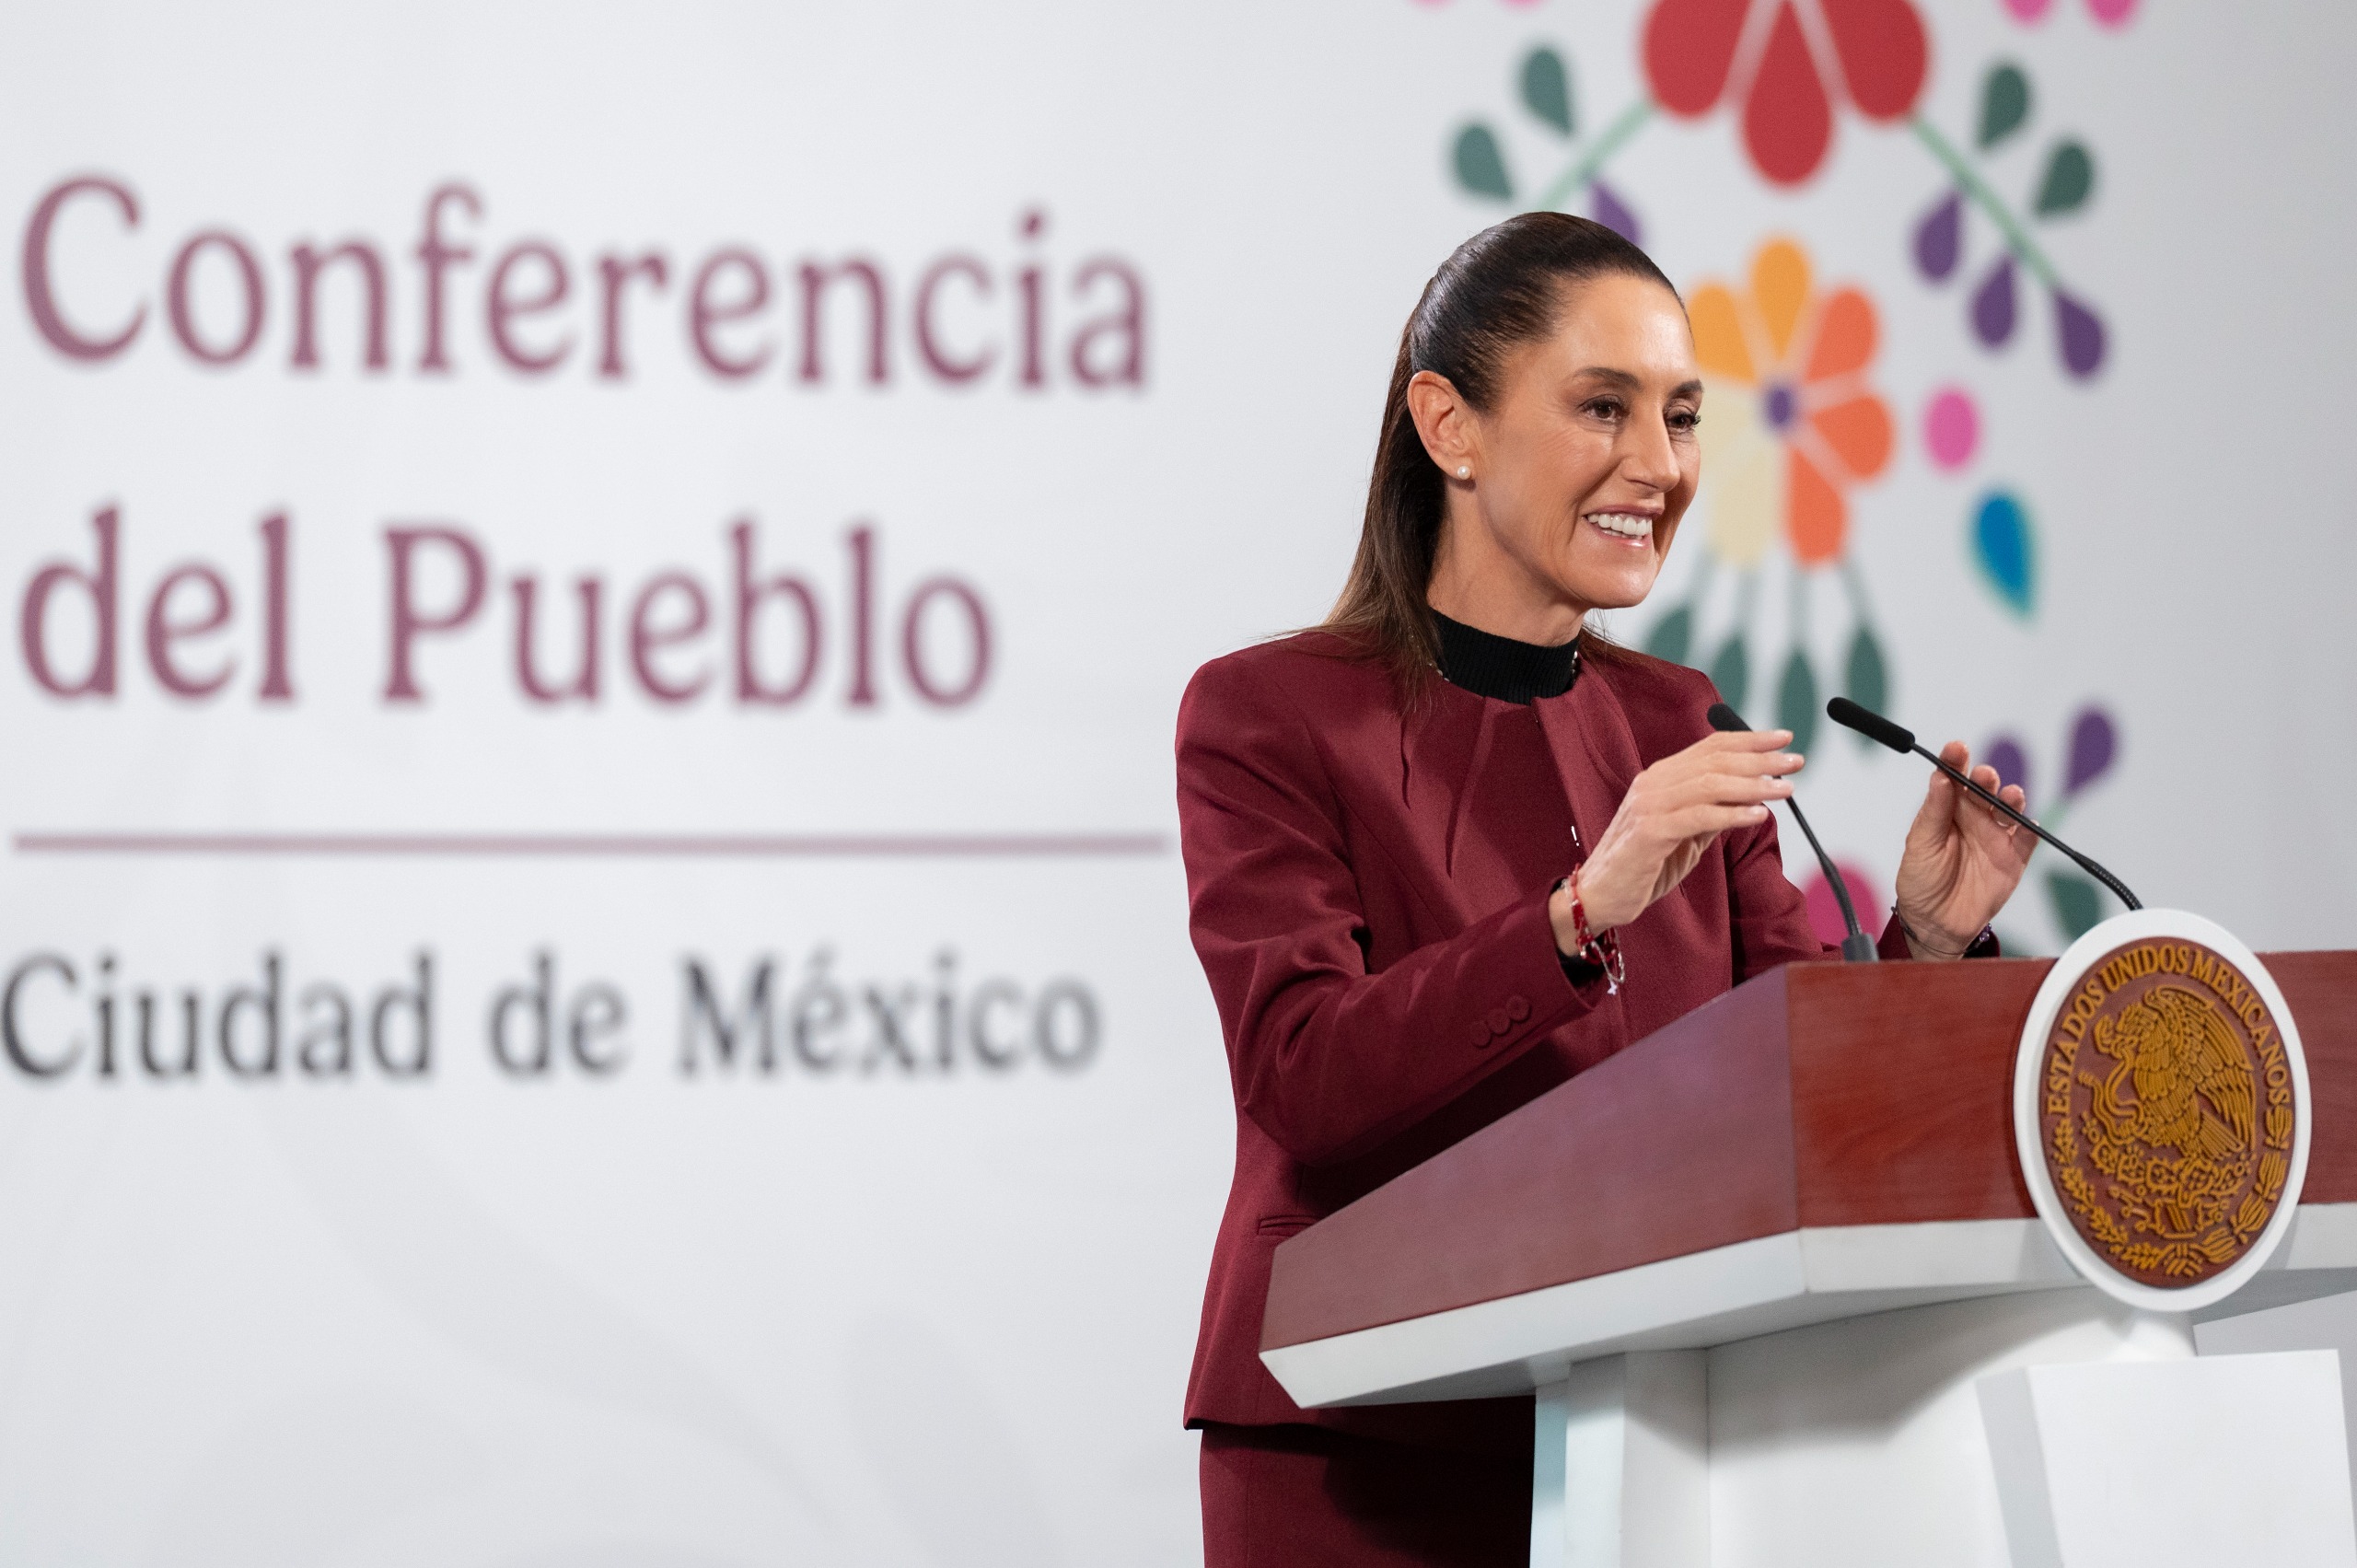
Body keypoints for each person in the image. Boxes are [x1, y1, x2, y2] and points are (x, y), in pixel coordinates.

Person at [1175, 213, 2034, 1566]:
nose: (1661, 465)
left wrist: (1925, 941)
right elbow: (1302, 1076)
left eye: (1682, 417)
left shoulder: (1679, 718)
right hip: (1367, 1451)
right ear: (1450, 428)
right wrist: (1578, 916)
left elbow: (1788, 1086)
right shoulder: (1269, 714)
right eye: (1602, 408)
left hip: (1662, 1439)